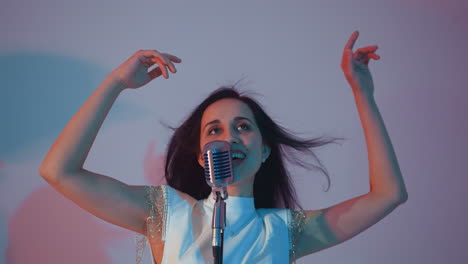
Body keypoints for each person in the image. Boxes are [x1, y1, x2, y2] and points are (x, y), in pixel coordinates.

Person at [39, 30, 408, 264]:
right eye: (214, 130)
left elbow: (388, 195)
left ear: (264, 150)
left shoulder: (285, 232)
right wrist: (115, 84)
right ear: (202, 156)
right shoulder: (166, 214)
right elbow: (58, 172)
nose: (228, 138)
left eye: (243, 127)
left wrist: (363, 94)